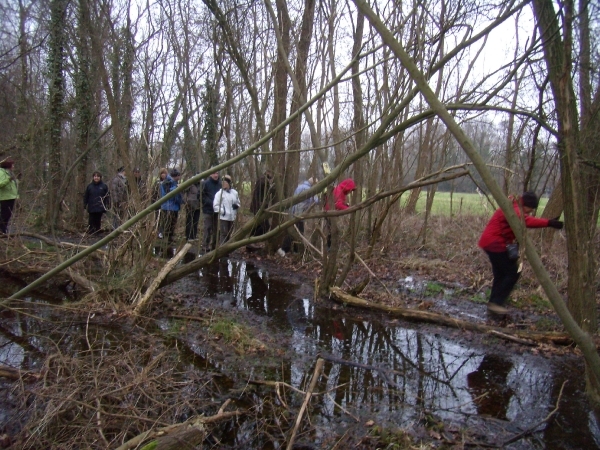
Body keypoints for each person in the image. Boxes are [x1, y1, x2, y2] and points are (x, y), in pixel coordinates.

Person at [478, 191, 563, 315]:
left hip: (492, 242)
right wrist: (549, 223)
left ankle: (494, 304)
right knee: (513, 272)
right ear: (526, 205)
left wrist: (548, 222)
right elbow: (525, 221)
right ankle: (496, 304)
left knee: (501, 275)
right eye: (530, 210)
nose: (530, 212)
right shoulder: (514, 208)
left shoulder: (513, 204)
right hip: (495, 243)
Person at [277, 177, 319, 256]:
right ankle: (283, 249)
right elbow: (313, 200)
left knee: (299, 231)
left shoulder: (301, 186)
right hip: (299, 213)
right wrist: (319, 198)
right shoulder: (307, 189)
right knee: (296, 232)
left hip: (295, 211)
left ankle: (296, 250)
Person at [324, 178, 356, 248]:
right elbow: (338, 204)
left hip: (330, 212)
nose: (350, 192)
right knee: (332, 231)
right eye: (350, 190)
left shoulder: (341, 190)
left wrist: (345, 205)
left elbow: (339, 202)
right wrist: (348, 209)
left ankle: (330, 246)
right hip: (329, 213)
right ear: (348, 187)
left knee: (331, 230)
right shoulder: (339, 190)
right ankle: (329, 248)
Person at [213, 175, 240, 245]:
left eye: (225, 182)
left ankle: (226, 250)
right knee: (224, 234)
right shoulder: (219, 194)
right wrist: (223, 211)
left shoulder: (234, 193)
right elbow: (215, 206)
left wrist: (236, 206)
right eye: (222, 182)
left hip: (232, 217)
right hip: (224, 217)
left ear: (229, 183)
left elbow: (238, 202)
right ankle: (222, 249)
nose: (223, 184)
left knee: (229, 234)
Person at [159, 169, 183, 244]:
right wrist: (177, 188)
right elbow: (168, 193)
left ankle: (170, 238)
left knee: (172, 223)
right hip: (169, 206)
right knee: (168, 224)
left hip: (174, 206)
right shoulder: (168, 182)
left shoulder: (173, 182)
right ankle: (167, 240)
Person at [201, 171, 222, 253]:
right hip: (208, 209)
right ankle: (205, 245)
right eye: (214, 173)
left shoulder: (220, 184)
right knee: (208, 227)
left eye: (217, 173)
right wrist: (210, 202)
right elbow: (201, 196)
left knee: (216, 229)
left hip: (218, 210)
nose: (216, 175)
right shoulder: (205, 184)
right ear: (210, 174)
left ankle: (214, 246)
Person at [250, 169, 274, 236]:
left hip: (259, 207)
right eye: (271, 173)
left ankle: (251, 241)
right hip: (259, 207)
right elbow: (266, 192)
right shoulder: (263, 180)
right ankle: (252, 239)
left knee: (257, 225)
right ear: (268, 172)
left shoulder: (262, 179)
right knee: (265, 226)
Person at [0, 158, 19, 234]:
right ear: (8, 165)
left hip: (11, 197)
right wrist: (9, 179)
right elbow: (1, 184)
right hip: (5, 197)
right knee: (4, 215)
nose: (13, 166)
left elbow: (12, 184)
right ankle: (2, 230)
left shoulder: (9, 173)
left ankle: (3, 230)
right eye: (12, 165)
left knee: (7, 215)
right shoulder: (1, 172)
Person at [184, 176, 202, 241]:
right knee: (189, 221)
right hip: (190, 206)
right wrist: (186, 201)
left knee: (195, 221)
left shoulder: (201, 185)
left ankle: (193, 236)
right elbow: (183, 190)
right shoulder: (190, 184)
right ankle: (188, 236)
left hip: (198, 206)